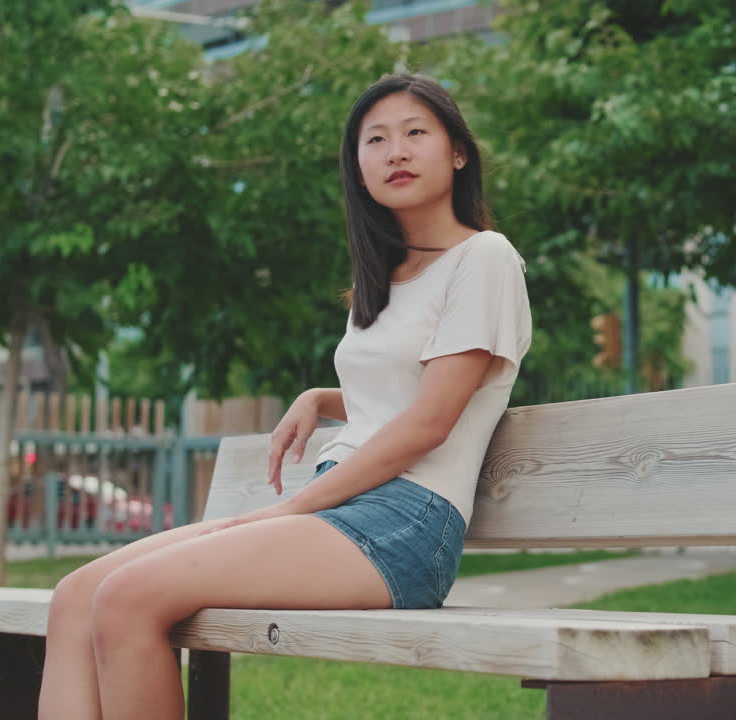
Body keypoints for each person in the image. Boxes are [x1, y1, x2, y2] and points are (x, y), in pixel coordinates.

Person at [38, 73, 532, 720]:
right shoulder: (386, 278)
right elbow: (404, 393)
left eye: (417, 133)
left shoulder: (485, 258)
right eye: (375, 140)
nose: (396, 152)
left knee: (129, 598)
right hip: (345, 510)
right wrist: (324, 398)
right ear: (357, 167)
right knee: (76, 597)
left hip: (404, 524)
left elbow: (429, 423)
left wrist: (291, 508)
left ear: (458, 152)